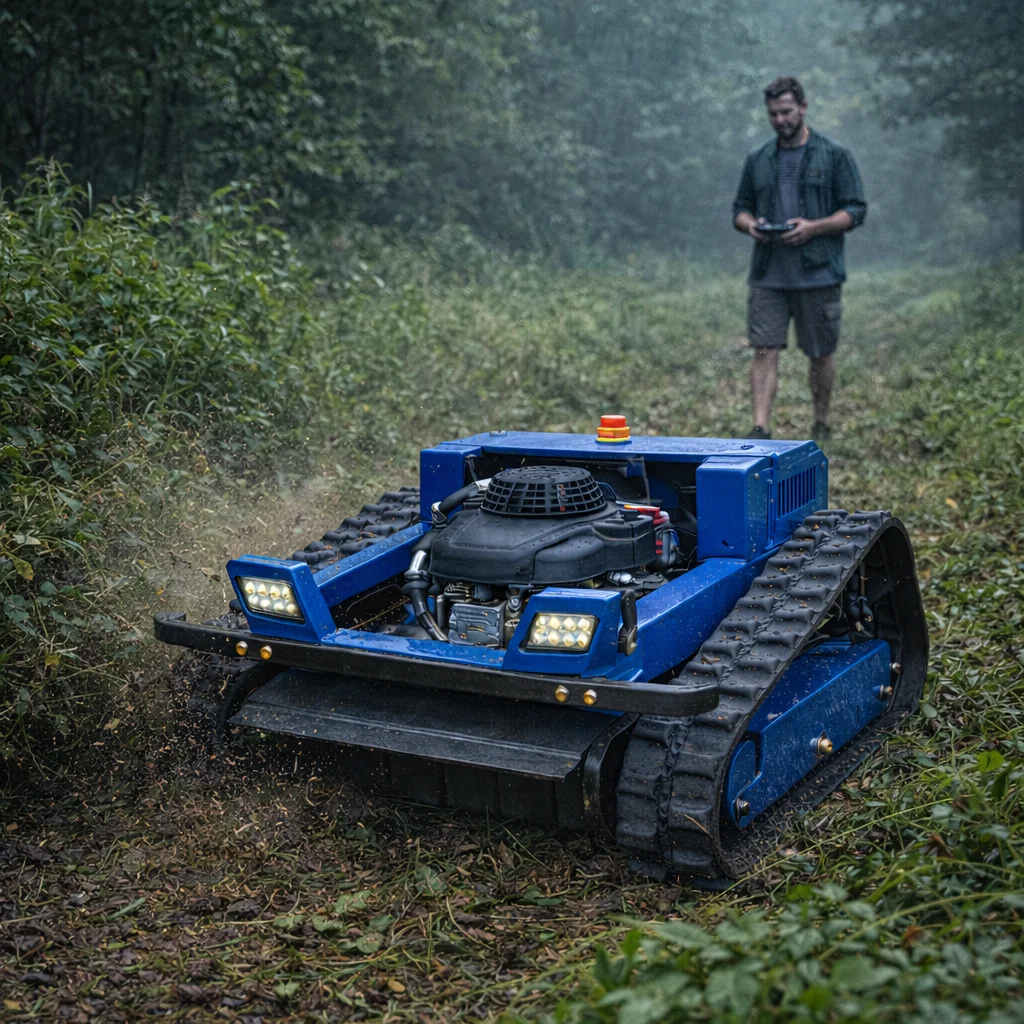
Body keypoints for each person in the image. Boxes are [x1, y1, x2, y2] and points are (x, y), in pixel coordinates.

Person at [732, 76, 867, 440]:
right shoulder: (757, 158)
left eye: (787, 111)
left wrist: (815, 227)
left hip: (819, 272)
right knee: (764, 348)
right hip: (768, 273)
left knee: (820, 352)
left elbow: (855, 210)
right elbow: (739, 210)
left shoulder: (834, 155)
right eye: (773, 113)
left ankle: (821, 421)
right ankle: (760, 427)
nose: (780, 119)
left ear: (803, 108)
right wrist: (752, 226)